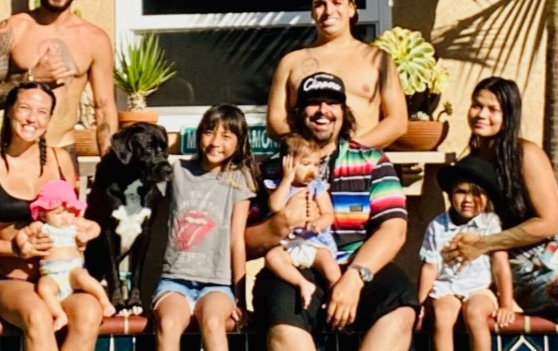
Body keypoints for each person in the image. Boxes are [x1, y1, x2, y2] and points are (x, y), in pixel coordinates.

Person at [247, 72, 417, 351]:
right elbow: (243, 242)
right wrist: (278, 224)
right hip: (294, 266)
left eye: (332, 103)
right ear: (299, 113)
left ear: (343, 111)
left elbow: (394, 229)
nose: (323, 110)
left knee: (400, 306)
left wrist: (355, 278)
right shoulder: (272, 169)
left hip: (356, 264)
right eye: (313, 102)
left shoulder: (372, 161)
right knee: (282, 319)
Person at [0, 82, 103, 351]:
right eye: (24, 108)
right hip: (14, 280)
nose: (32, 118)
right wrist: (14, 249)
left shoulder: (60, 160)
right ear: (9, 111)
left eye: (42, 112)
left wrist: (82, 234)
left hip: (64, 277)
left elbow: (71, 216)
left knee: (89, 312)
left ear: (49, 120)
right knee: (38, 317)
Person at [442, 77, 558, 316]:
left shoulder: (526, 155)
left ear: (508, 115)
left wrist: (484, 244)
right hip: (523, 271)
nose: (481, 114)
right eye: (476, 105)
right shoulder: (470, 166)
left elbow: (549, 223)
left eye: (493, 109)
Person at [0, 0, 119, 165]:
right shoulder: (11, 29)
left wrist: (111, 167)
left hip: (62, 156)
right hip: (14, 158)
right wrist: (31, 78)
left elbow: (104, 109)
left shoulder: (95, 39)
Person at [153, 104, 256, 351]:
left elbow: (236, 240)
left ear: (239, 142)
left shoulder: (239, 179)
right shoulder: (178, 171)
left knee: (212, 323)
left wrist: (241, 296)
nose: (215, 142)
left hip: (217, 283)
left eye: (226, 136)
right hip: (175, 279)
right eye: (209, 133)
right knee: (168, 324)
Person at [267, 0, 407, 148]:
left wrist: (350, 150)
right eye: (320, 4)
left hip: (361, 159)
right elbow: (275, 119)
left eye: (337, 3)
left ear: (351, 9)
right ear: (312, 12)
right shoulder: (291, 62)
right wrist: (304, 149)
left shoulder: (377, 59)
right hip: (306, 161)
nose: (328, 11)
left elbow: (397, 121)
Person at [418, 156, 513, 351]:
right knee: (442, 315)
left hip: (479, 289)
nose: (468, 200)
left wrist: (506, 305)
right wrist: (418, 304)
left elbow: (500, 265)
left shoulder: (490, 224)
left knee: (475, 312)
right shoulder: (437, 226)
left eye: (476, 193)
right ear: (450, 194)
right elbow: (430, 267)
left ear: (487, 197)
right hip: (446, 288)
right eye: (461, 192)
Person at [263, 133, 339, 310]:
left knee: (331, 269)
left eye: (316, 164)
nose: (312, 170)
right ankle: (302, 283)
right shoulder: (278, 186)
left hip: (316, 243)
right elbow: (275, 206)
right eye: (306, 164)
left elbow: (329, 214)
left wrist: (319, 223)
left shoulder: (317, 187)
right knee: (273, 258)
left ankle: (334, 297)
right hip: (291, 244)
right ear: (287, 163)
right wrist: (287, 179)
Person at [27, 179, 115, 330]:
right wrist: (25, 244)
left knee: (83, 277)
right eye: (58, 213)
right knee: (43, 287)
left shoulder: (75, 223)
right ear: (43, 214)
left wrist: (87, 235)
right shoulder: (41, 227)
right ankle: (59, 314)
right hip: (51, 275)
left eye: (70, 211)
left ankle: (104, 301)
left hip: (73, 270)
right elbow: (23, 234)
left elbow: (96, 227)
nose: (65, 217)